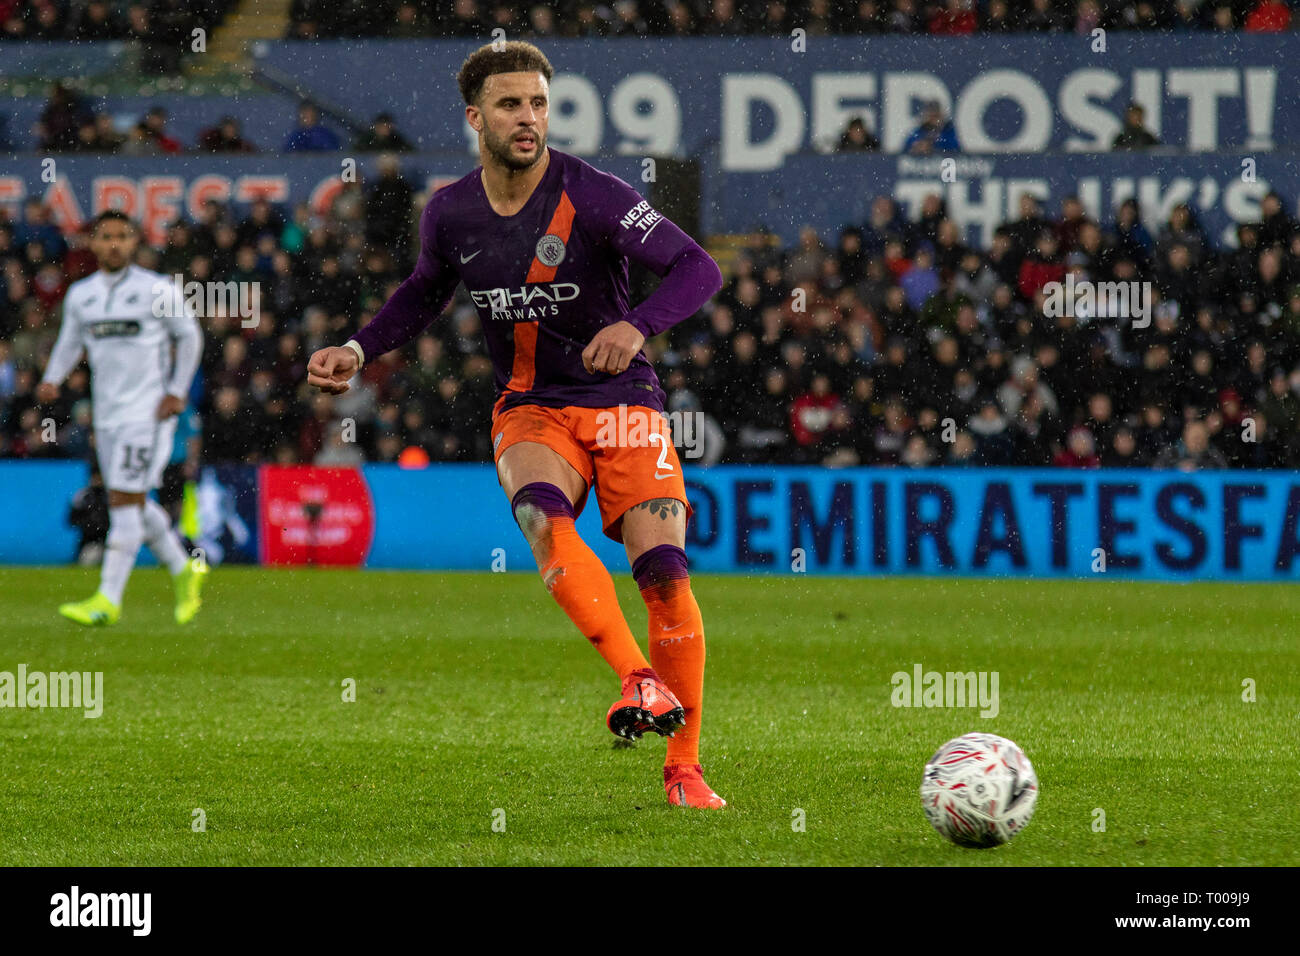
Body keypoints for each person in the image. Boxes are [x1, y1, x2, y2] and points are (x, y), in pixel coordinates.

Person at [306, 42, 726, 809]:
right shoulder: (452, 211)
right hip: (531, 405)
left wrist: (637, 326)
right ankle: (637, 678)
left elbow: (699, 267)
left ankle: (685, 769)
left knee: (663, 576)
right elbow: (424, 292)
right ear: (476, 117)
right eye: (509, 104)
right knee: (538, 511)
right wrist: (359, 346)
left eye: (537, 103)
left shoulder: (595, 194)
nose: (528, 118)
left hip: (624, 401)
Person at [36, 211, 207, 626]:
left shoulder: (157, 288)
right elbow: (69, 341)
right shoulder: (82, 295)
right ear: (92, 243)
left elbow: (190, 336)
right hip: (107, 416)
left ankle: (106, 600)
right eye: (106, 237)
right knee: (132, 501)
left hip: (146, 414)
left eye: (123, 236)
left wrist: (176, 391)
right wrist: (52, 379)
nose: (115, 244)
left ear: (135, 242)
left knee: (123, 505)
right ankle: (184, 569)